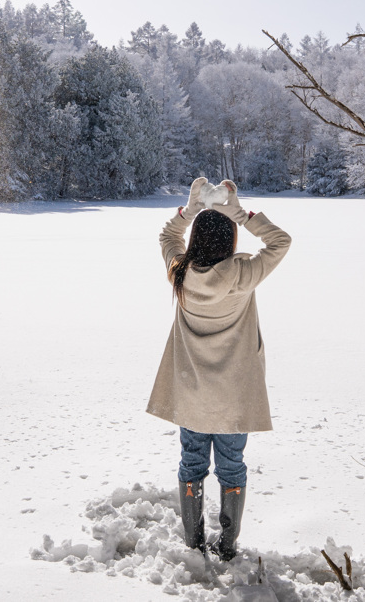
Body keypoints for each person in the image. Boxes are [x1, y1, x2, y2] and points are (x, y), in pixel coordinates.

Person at [147, 177, 291, 561]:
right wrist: (241, 214)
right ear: (230, 240)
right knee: (232, 466)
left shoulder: (180, 272)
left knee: (192, 462)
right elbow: (281, 242)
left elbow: (167, 238)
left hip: (192, 390)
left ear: (196, 240)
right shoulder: (243, 275)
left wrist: (189, 211)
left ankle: (194, 543)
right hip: (234, 395)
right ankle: (227, 545)